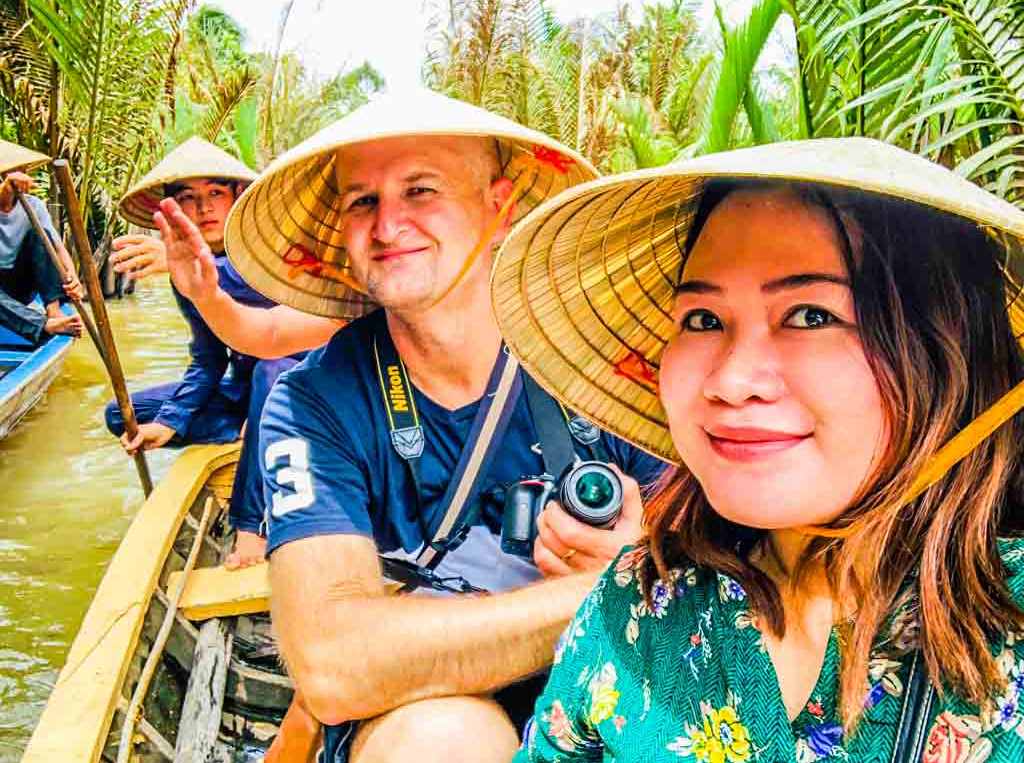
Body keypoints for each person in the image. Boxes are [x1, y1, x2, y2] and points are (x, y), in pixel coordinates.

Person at [158, 88, 667, 763]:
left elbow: (735, 564)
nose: (388, 224)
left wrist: (650, 550)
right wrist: (619, 586)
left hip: (611, 692)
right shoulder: (314, 401)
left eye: (420, 190)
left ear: (500, 203)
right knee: (444, 737)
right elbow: (334, 663)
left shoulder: (604, 367)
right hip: (423, 718)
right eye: (362, 200)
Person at [491, 138, 1024, 762]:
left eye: (811, 315)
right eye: (703, 320)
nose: (730, 381)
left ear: (946, 353)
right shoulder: (638, 604)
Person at [107, 137, 302, 569]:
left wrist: (199, 273)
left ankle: (253, 524)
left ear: (236, 198)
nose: (203, 209)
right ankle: (251, 428)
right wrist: (171, 421)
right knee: (124, 414)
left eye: (216, 193)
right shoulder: (186, 274)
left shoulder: (276, 253)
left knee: (273, 371)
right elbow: (210, 359)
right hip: (252, 391)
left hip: (306, 388)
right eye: (189, 198)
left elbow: (262, 308)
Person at [0, 141, 84, 341]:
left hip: (19, 282)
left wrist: (72, 277)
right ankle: (44, 325)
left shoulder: (34, 206)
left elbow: (55, 246)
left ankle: (53, 311)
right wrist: (5, 192)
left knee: (41, 234)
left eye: (22, 170)